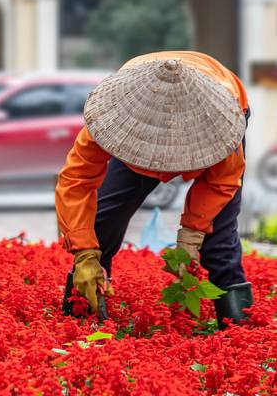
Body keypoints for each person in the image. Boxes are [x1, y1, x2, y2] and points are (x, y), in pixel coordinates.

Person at [56, 51, 251, 328]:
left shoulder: (221, 125)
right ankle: (84, 313)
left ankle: (238, 328)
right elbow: (76, 181)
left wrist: (192, 234)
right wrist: (84, 253)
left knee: (218, 240)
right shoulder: (113, 118)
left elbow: (222, 182)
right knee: (103, 220)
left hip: (211, 109)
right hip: (138, 132)